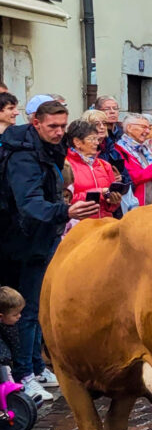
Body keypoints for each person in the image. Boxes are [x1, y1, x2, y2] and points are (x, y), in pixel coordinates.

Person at [0, 101, 99, 402]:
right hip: (19, 243)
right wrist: (67, 210)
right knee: (23, 311)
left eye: (62, 126)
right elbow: (29, 204)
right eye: (52, 126)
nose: (59, 132)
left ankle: (34, 368)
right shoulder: (23, 155)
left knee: (37, 308)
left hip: (40, 239)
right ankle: (24, 376)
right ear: (35, 122)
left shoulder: (46, 147)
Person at [64, 119, 122, 219]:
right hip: (80, 227)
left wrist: (113, 201)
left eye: (97, 139)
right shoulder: (66, 166)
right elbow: (65, 200)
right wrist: (98, 193)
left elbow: (112, 207)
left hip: (105, 225)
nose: (96, 143)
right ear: (77, 142)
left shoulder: (104, 165)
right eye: (92, 139)